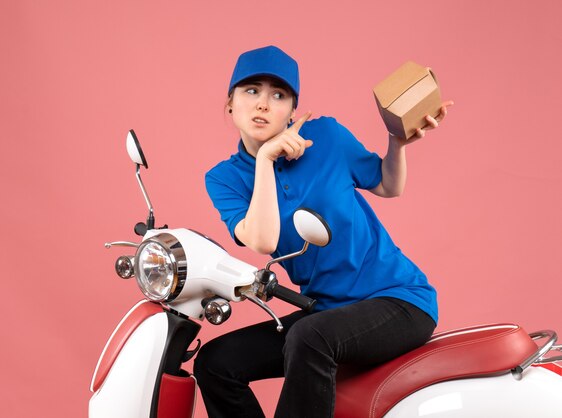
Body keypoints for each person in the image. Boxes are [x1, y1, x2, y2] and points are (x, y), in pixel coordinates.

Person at [194, 45, 453, 418]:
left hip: (398, 301)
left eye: (278, 95)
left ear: (292, 112)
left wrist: (398, 142)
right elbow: (262, 240)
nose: (263, 104)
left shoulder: (326, 136)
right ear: (230, 103)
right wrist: (266, 160)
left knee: (309, 337)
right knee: (216, 363)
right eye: (251, 91)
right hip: (326, 311)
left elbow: (387, 184)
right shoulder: (224, 178)